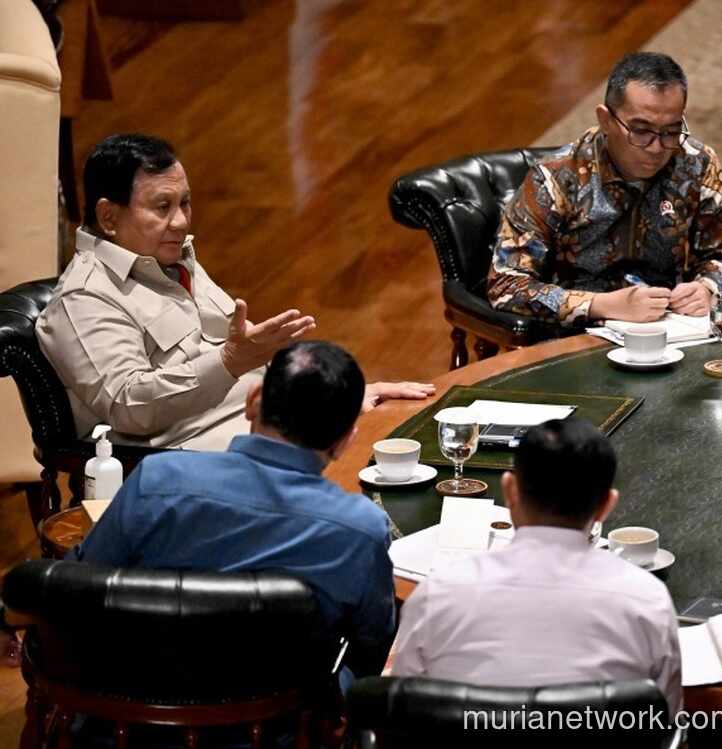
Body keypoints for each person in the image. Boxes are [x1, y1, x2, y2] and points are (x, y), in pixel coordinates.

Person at [37, 133, 434, 451]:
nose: (180, 221)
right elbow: (129, 407)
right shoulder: (85, 299)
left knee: (398, 432)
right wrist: (228, 360)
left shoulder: (171, 261)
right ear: (109, 216)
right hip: (190, 459)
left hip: (268, 424)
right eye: (162, 207)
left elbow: (252, 355)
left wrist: (332, 399)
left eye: (185, 203)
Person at [69, 340, 396, 687]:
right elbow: (372, 644)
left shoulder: (156, 480)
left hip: (133, 710)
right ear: (346, 441)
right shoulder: (361, 529)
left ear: (253, 401)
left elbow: (78, 584)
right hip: (280, 728)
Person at [390, 417, 683, 715]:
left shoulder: (437, 594)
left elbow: (400, 715)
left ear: (510, 490)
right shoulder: (649, 602)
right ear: (606, 505)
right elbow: (666, 723)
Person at [487, 51, 722, 326]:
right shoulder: (556, 178)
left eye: (671, 131)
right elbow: (506, 286)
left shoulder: (697, 164)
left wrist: (707, 289)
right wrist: (600, 305)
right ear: (606, 120)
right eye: (641, 131)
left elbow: (718, 259)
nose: (657, 147)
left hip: (669, 328)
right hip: (573, 338)